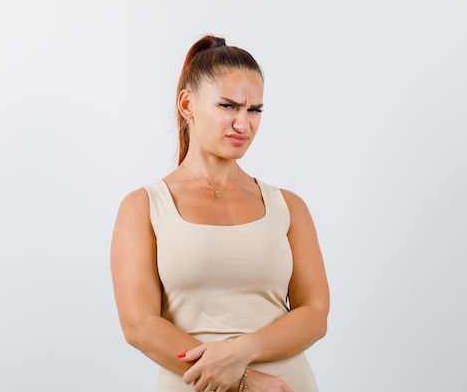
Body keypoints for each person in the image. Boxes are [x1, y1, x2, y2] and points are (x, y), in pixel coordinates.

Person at [110, 35, 329, 392]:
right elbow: (139, 325)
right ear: (187, 104)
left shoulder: (288, 206)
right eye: (228, 106)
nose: (244, 124)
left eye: (254, 110)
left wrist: (241, 352)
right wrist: (247, 381)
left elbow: (315, 314)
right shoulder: (144, 206)